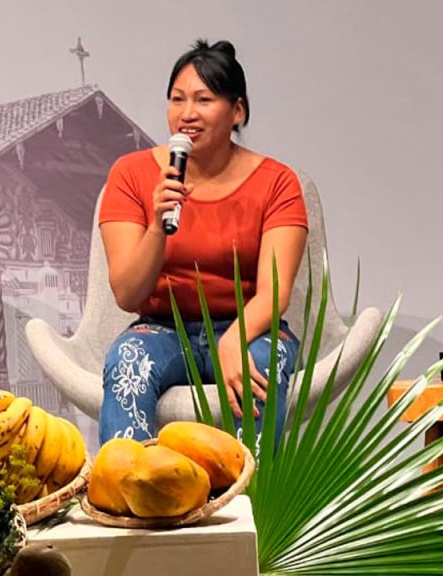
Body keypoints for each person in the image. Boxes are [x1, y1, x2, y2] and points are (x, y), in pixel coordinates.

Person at [98, 40, 308, 446]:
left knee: (258, 368)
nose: (187, 113)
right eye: (177, 99)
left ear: (237, 111)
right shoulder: (131, 174)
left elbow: (274, 292)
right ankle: (132, 483)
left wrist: (233, 340)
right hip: (163, 328)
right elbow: (127, 293)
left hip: (248, 327)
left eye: (203, 99)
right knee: (127, 360)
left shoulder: (277, 182)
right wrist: (157, 226)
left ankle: (251, 486)